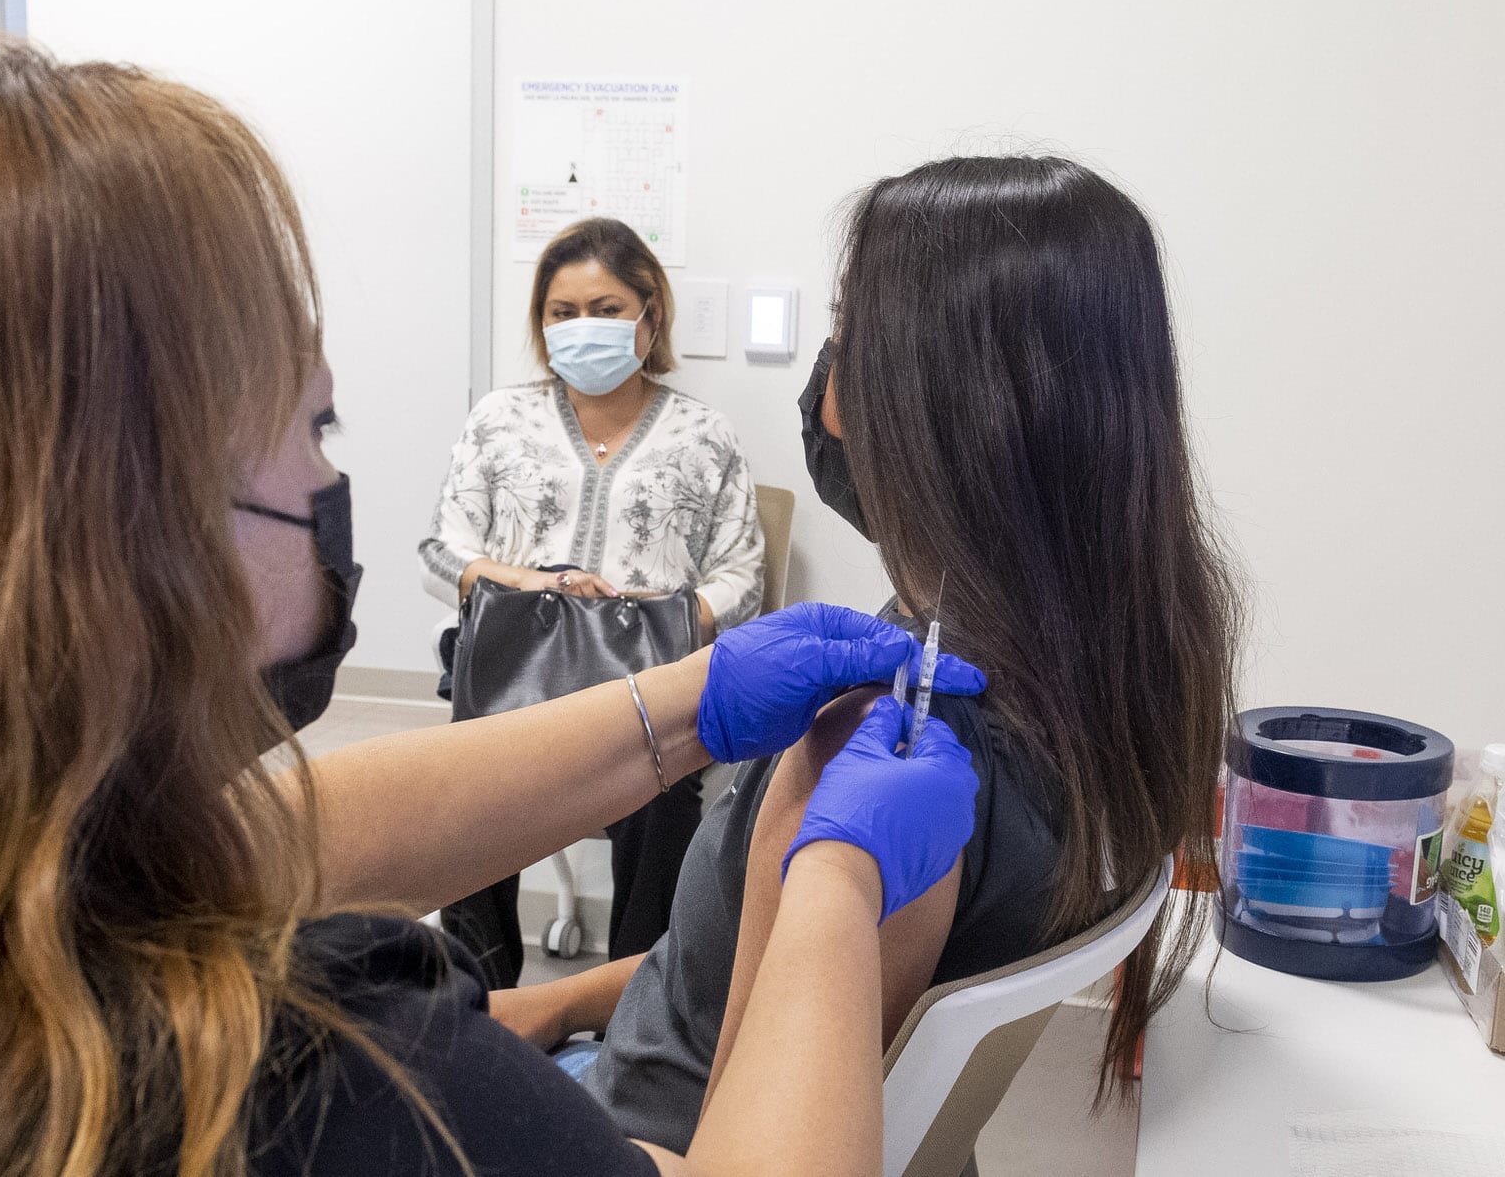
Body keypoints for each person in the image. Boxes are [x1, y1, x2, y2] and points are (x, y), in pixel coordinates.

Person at [0, 38, 990, 1177]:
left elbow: (253, 839)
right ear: (119, 535)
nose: (329, 478)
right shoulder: (340, 1097)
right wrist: (832, 892)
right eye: (312, 426)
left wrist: (682, 701)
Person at [492, 156, 1243, 1154]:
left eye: (845, 337)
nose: (824, 385)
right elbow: (731, 975)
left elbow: (733, 1132)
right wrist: (552, 1005)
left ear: (939, 406)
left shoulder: (877, 747)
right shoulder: (1118, 671)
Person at [419, 217, 765, 984]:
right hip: (514, 679)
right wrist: (537, 587)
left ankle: (629, 1006)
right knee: (469, 801)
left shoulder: (704, 436)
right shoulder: (498, 420)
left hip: (648, 687)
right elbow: (441, 553)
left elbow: (742, 577)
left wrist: (656, 617)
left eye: (606, 309)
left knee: (664, 798)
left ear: (651, 315)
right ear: (541, 324)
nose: (583, 327)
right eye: (562, 311)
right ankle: (475, 1003)